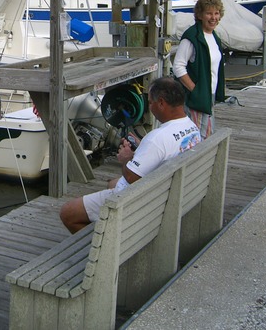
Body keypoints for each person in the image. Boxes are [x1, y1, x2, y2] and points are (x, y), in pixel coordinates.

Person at [59, 77, 201, 233]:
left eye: (151, 103)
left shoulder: (157, 139)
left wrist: (126, 159)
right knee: (111, 182)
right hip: (167, 193)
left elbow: (131, 178)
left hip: (138, 203)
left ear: (161, 103)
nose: (150, 107)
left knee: (67, 213)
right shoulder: (192, 127)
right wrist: (142, 148)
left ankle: (103, 246)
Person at [173, 0, 226, 139]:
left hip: (209, 96)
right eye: (209, 13)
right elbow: (178, 66)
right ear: (200, 15)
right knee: (198, 137)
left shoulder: (214, 37)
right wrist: (195, 90)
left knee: (207, 134)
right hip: (196, 98)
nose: (213, 17)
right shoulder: (192, 37)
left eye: (216, 13)